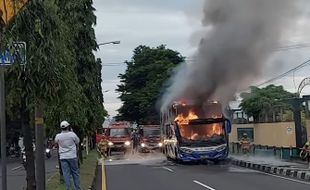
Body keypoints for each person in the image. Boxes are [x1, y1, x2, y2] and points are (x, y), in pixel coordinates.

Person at [55, 121, 80, 190]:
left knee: (66, 173)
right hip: (72, 156)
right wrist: (71, 132)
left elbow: (56, 142)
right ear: (68, 127)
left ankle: (68, 188)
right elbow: (77, 141)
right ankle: (77, 188)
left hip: (63, 157)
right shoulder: (72, 134)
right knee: (75, 173)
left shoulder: (58, 136)